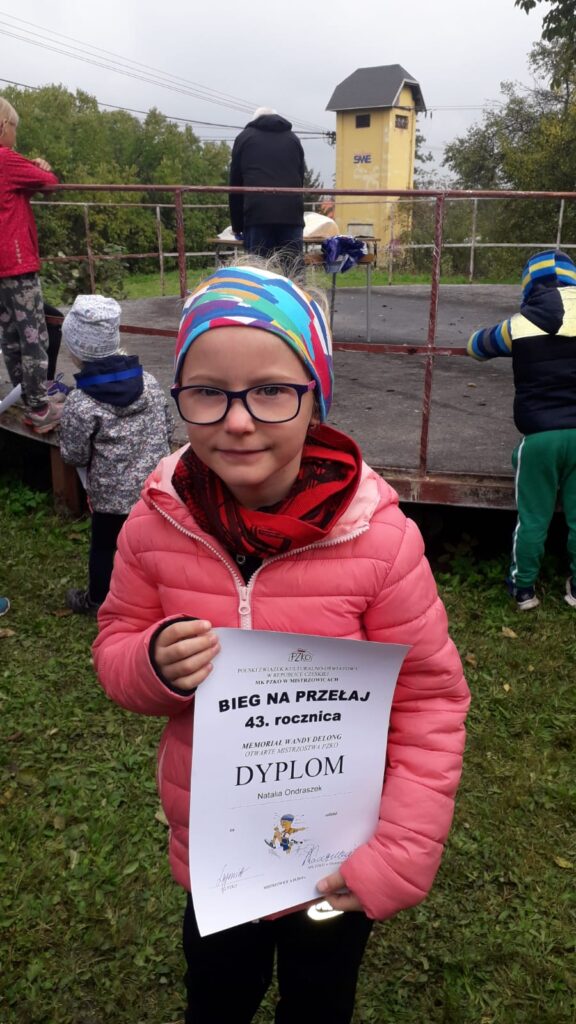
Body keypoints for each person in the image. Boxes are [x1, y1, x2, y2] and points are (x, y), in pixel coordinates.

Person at [92, 263, 470, 1024]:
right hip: (220, 851)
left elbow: (430, 701)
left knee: (319, 1001)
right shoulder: (156, 521)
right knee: (217, 996)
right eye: (208, 391)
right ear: (180, 395)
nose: (238, 420)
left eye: (271, 391)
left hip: (338, 859)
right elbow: (115, 642)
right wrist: (152, 663)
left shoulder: (380, 540)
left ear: (315, 398)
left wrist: (399, 853)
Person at [468, 249, 576, 611]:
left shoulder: (519, 324)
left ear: (529, 286)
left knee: (533, 519)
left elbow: (476, 346)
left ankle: (523, 589)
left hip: (539, 438)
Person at [59, 294, 174, 615]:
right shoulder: (149, 383)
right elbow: (167, 428)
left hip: (110, 500)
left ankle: (97, 600)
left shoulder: (81, 401)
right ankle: (159, 600)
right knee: (154, 548)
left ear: (76, 350)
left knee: (104, 547)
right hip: (155, 491)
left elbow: (73, 455)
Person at [0, 97, 62, 434]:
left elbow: (12, 195)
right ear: (4, 127)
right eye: (14, 128)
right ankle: (40, 408)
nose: (15, 135)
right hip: (17, 266)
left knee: (10, 337)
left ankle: (25, 399)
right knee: (33, 336)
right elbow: (48, 181)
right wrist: (41, 166)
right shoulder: (6, 159)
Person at [229, 107, 305, 266]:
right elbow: (300, 178)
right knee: (293, 269)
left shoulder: (244, 138)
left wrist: (237, 225)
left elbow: (235, 184)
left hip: (258, 214)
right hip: (291, 214)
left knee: (258, 270)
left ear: (255, 119)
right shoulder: (293, 139)